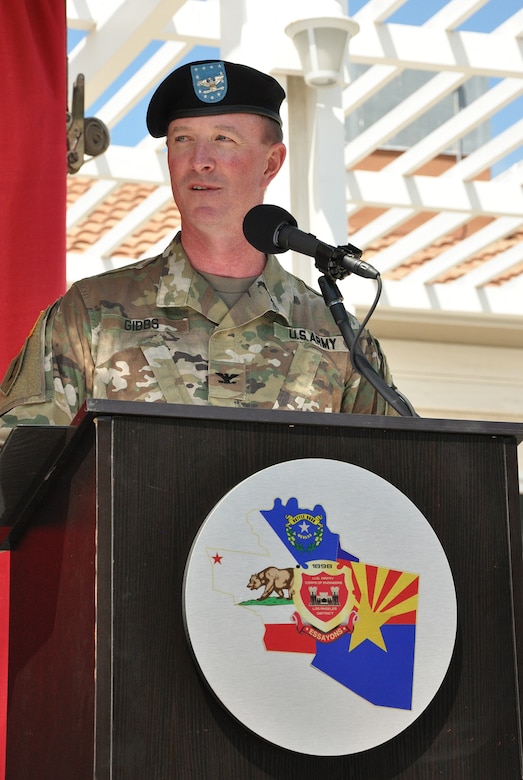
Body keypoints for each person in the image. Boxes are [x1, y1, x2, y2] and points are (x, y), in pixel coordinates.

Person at [0, 59, 399, 448]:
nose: (199, 161)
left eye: (223, 139)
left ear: (271, 163)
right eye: (183, 140)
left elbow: (399, 477)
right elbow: (15, 468)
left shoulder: (338, 336)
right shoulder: (90, 315)